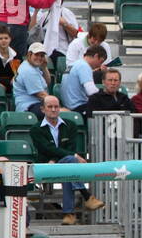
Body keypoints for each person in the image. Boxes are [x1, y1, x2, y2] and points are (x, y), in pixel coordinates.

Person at [31, 94, 105, 225]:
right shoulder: (36, 129)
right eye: (50, 107)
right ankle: (86, 196)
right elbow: (46, 149)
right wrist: (69, 157)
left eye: (56, 106)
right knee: (70, 163)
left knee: (68, 168)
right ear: (43, 109)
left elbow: (71, 147)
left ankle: (69, 214)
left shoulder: (70, 125)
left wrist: (60, 157)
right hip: (46, 164)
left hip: (63, 162)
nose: (53, 109)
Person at [29, 0, 81, 67]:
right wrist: (35, 12)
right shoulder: (45, 15)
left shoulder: (65, 13)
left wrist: (65, 24)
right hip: (44, 49)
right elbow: (31, 30)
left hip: (60, 50)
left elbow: (76, 34)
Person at [61, 43, 107, 116]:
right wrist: (106, 95)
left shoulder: (73, 64)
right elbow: (91, 91)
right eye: (100, 61)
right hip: (78, 107)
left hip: (68, 105)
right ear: (96, 56)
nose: (99, 65)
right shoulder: (84, 66)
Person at [11, 42, 51, 117]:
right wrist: (56, 106)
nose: (39, 58)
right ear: (29, 54)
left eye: (42, 56)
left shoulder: (31, 66)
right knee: (58, 113)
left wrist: (44, 68)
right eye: (36, 55)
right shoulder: (28, 70)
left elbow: (47, 83)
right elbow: (41, 94)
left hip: (36, 105)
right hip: (28, 107)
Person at [0, 25, 21, 92]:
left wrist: (13, 82)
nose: (3, 41)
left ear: (10, 39)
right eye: (0, 38)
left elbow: (18, 74)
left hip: (14, 87)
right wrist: (7, 82)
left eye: (6, 38)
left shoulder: (16, 55)